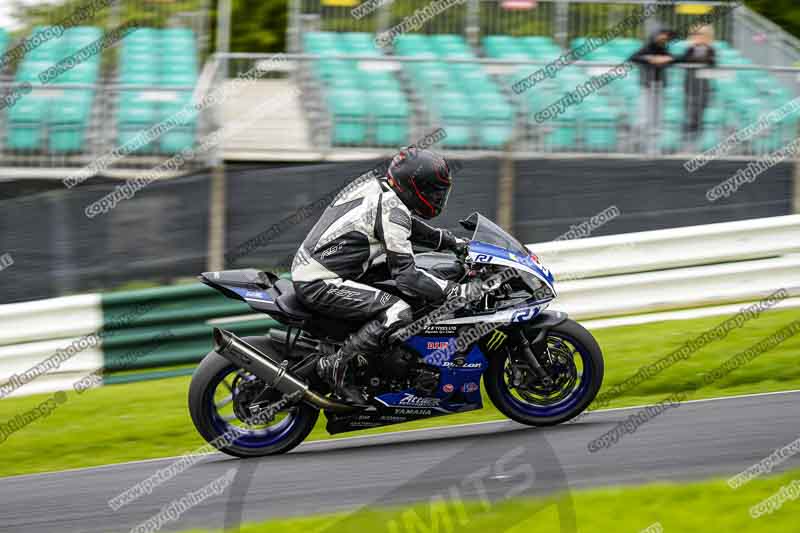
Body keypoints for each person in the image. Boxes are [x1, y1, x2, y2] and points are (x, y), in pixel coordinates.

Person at [290, 147, 478, 404]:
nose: (437, 197)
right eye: (433, 191)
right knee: (397, 311)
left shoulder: (381, 188)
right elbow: (408, 276)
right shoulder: (392, 209)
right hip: (321, 281)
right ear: (415, 187)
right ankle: (337, 366)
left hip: (331, 270)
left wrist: (453, 242)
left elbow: (409, 227)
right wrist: (455, 291)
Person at [630, 29, 676, 154]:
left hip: (660, 87)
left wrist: (666, 59)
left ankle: (653, 147)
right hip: (647, 87)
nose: (663, 38)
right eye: (661, 35)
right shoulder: (648, 47)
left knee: (657, 118)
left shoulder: (664, 48)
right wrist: (651, 59)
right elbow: (633, 57)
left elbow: (674, 59)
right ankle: (638, 143)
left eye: (666, 37)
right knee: (644, 117)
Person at [674, 25, 716, 146]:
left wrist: (696, 60)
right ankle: (688, 131)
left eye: (701, 35)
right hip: (690, 83)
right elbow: (683, 59)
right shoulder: (689, 49)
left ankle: (698, 132)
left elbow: (711, 61)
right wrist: (698, 60)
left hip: (703, 85)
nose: (698, 38)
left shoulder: (711, 50)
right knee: (689, 107)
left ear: (708, 37)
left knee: (701, 108)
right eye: (696, 35)